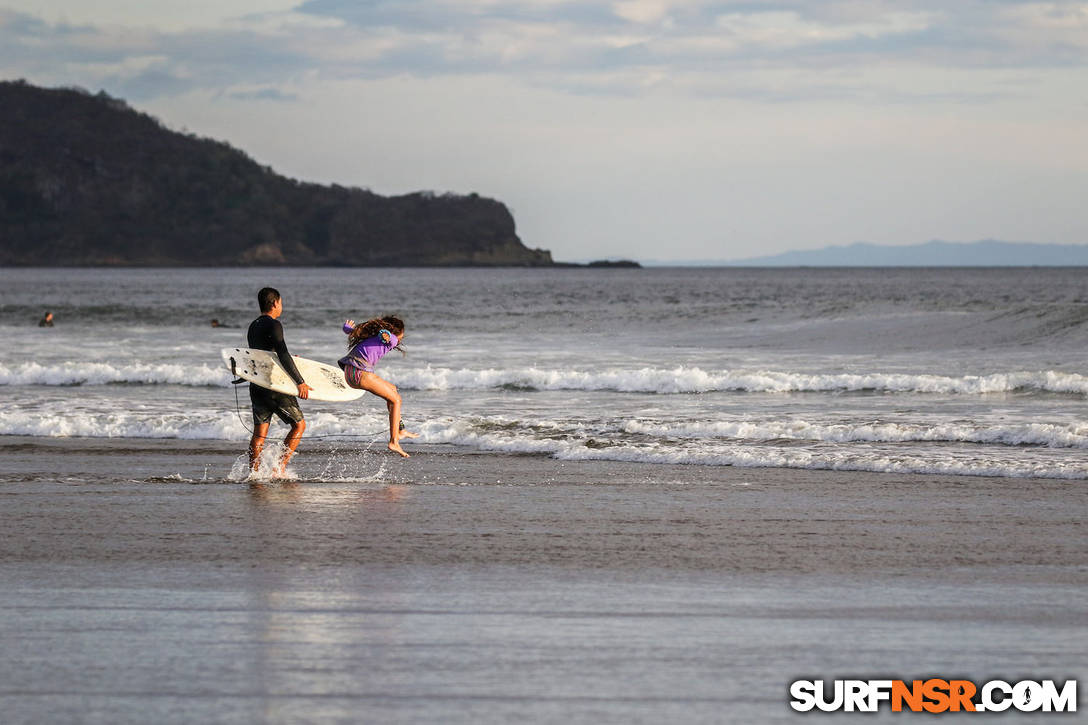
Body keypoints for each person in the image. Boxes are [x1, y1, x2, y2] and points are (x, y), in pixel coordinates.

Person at [246, 288, 312, 475]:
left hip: (257, 384)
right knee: (299, 425)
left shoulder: (254, 325)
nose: (281, 306)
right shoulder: (274, 324)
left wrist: (288, 357)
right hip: (274, 385)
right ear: (275, 303)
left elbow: (264, 353)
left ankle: (254, 473)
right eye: (281, 302)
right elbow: (282, 353)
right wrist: (300, 381)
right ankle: (278, 468)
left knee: (259, 434)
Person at [338, 316, 419, 458]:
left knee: (392, 390)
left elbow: (352, 331)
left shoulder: (372, 336)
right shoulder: (391, 339)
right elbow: (387, 337)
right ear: (396, 332)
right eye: (402, 334)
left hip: (350, 372)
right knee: (396, 400)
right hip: (360, 374)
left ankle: (400, 430)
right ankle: (394, 441)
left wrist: (348, 329)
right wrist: (386, 334)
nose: (402, 337)